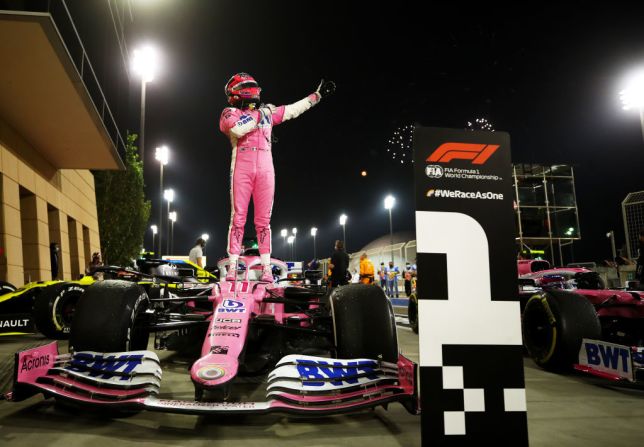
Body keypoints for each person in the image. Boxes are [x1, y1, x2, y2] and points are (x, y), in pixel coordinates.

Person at [219, 72, 335, 282]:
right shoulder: (229, 113)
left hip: (265, 170)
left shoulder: (266, 112)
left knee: (263, 222)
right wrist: (262, 113)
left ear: (237, 92)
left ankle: (265, 269)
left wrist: (316, 97)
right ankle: (234, 268)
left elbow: (292, 110)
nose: (229, 98)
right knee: (238, 219)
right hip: (241, 170)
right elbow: (237, 128)